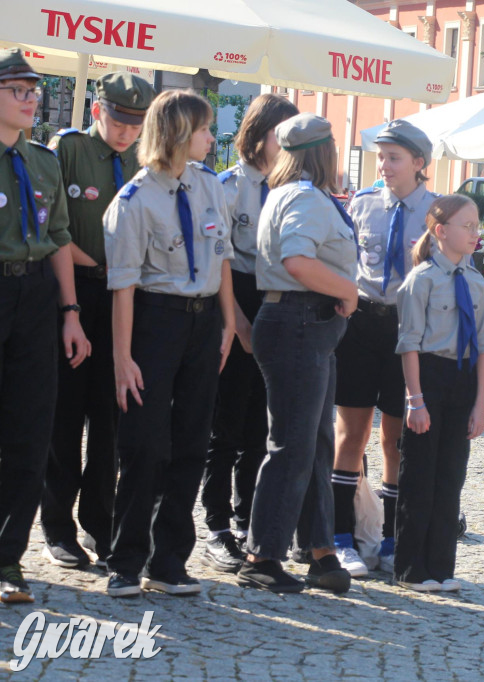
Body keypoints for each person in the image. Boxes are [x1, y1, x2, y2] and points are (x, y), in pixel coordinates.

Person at [103, 89, 235, 598]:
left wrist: (226, 325)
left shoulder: (208, 186)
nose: (211, 137)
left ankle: (169, 561)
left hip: (203, 326)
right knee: (145, 444)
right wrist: (121, 357)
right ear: (179, 133)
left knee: (192, 441)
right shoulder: (134, 201)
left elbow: (220, 256)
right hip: (155, 323)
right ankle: (126, 560)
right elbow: (123, 287)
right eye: (203, 129)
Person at [238, 113, 357, 594]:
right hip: (299, 321)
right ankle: (262, 555)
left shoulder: (292, 193)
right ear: (323, 151)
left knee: (314, 443)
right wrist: (348, 290)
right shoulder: (305, 197)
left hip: (305, 324)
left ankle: (319, 549)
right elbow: (297, 261)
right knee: (292, 445)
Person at [42, 72, 154, 571]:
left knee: (111, 418)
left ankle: (100, 522)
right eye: (118, 119)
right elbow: (51, 228)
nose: (126, 132)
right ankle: (58, 526)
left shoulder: (143, 161)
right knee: (64, 416)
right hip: (78, 290)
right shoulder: (67, 150)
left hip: (125, 296)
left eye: (136, 123)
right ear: (96, 110)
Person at [0, 48, 90, 604]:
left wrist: (71, 313)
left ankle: (7, 559)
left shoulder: (42, 160)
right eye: (18, 90)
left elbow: (57, 236)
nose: (31, 99)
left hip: (36, 295)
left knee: (31, 432)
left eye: (35, 90)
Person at [332, 120, 438, 578]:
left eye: (394, 157)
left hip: (408, 332)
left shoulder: (438, 213)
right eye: (381, 157)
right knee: (349, 434)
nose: (384, 165)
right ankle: (341, 537)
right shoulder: (362, 204)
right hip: (361, 325)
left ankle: (392, 538)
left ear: (419, 163)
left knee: (395, 440)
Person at [200, 94, 298, 574]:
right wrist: (234, 319)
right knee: (226, 424)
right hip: (232, 297)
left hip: (273, 302)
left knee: (263, 424)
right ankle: (215, 523)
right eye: (283, 132)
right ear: (260, 134)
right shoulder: (228, 186)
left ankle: (245, 517)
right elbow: (218, 257)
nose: (288, 142)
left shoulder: (291, 189)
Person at [394, 194, 484, 592]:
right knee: (420, 474)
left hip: (463, 379)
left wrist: (480, 403)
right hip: (429, 377)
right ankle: (411, 569)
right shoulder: (421, 281)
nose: (475, 233)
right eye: (467, 226)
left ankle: (441, 567)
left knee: (451, 475)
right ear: (441, 232)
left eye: (476, 226)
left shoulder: (476, 281)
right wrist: (415, 401)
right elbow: (409, 345)